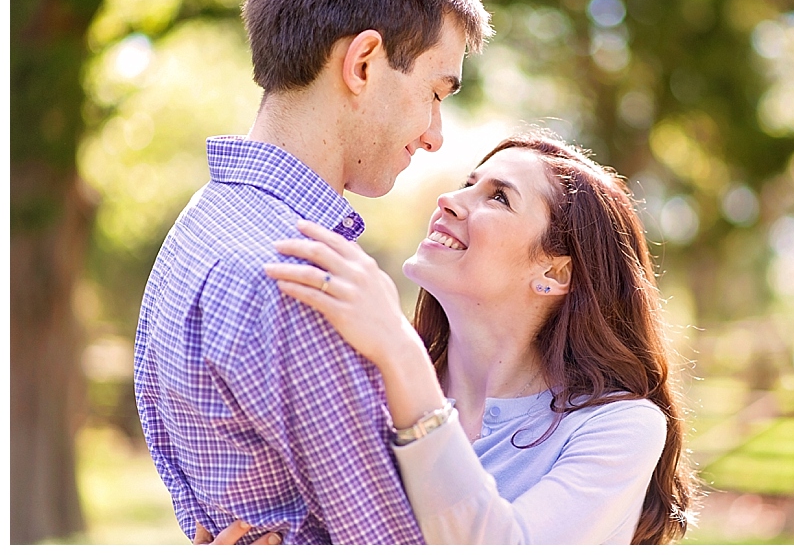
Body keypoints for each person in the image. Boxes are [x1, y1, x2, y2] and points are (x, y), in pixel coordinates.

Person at [133, 0, 492, 546]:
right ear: (363, 63)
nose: (437, 136)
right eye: (437, 92)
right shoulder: (302, 279)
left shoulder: (203, 224)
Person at [207, 132, 697, 544]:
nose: (450, 199)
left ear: (553, 270)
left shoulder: (619, 427)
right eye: (467, 184)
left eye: (498, 197)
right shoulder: (366, 385)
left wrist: (400, 351)